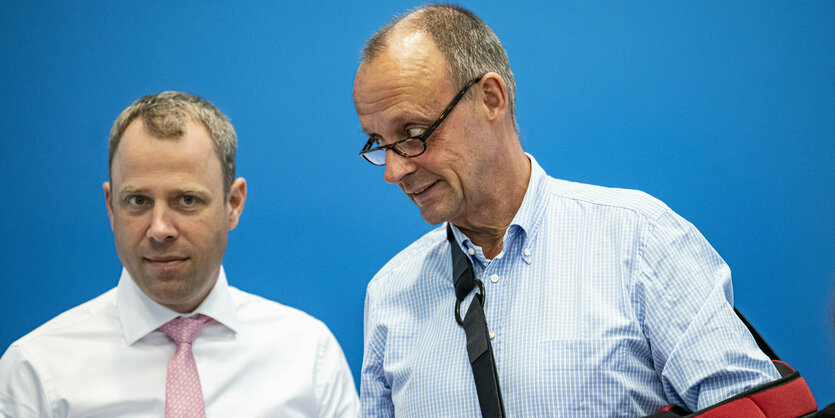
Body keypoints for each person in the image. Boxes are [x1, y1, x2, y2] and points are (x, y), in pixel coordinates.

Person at [352, 4, 780, 417]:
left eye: (412, 132)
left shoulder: (641, 240)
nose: (394, 170)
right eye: (377, 142)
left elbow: (751, 408)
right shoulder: (390, 294)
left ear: (490, 98)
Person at [0, 91, 359, 417]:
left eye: (186, 200)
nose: (159, 229)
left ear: (233, 204)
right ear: (110, 207)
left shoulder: (308, 354)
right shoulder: (36, 370)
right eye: (137, 201)